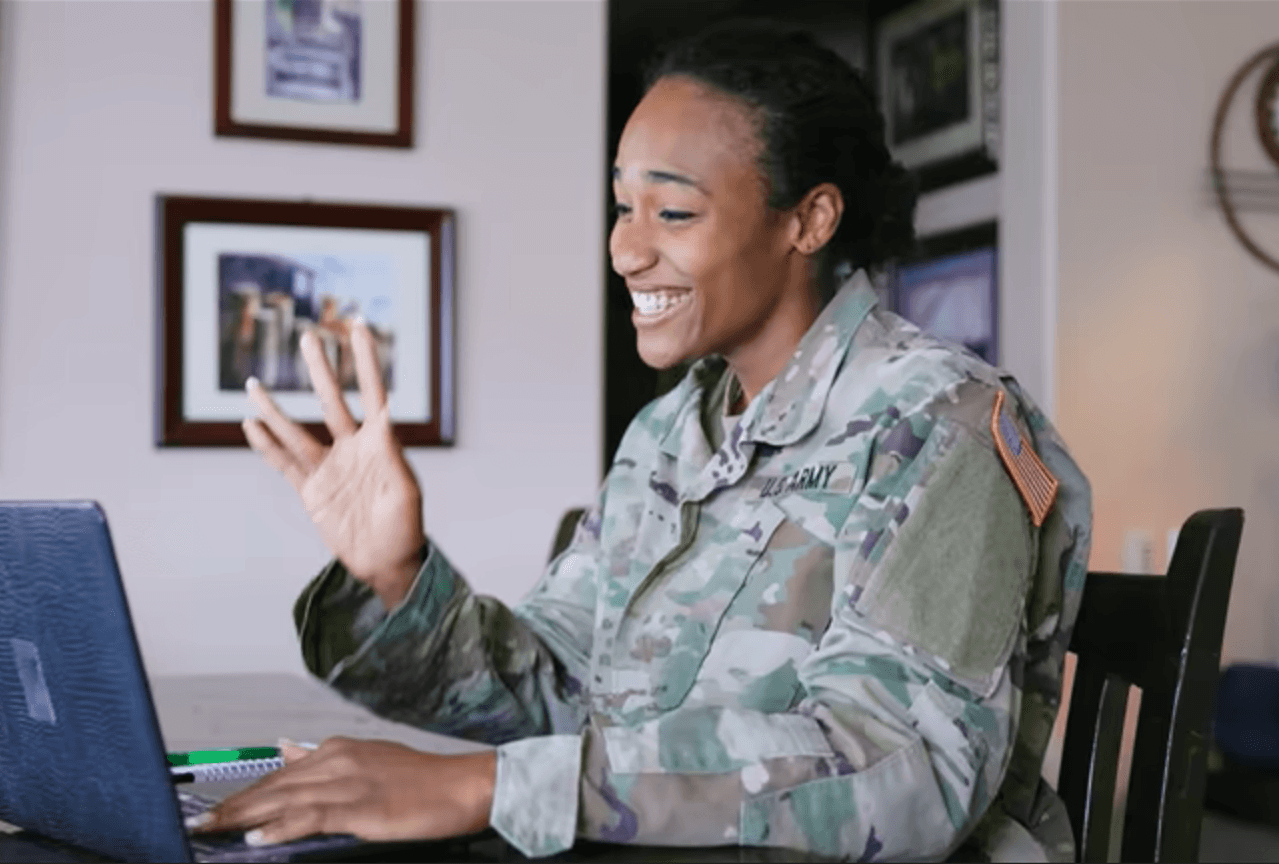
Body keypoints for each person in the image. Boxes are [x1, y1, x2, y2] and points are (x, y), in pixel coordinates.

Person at [194, 21, 1092, 862]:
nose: (625, 249)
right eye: (621, 207)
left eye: (672, 214)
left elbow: (901, 766)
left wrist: (497, 787)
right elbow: (559, 692)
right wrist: (397, 577)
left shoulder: (945, 427)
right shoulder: (670, 430)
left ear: (808, 221)